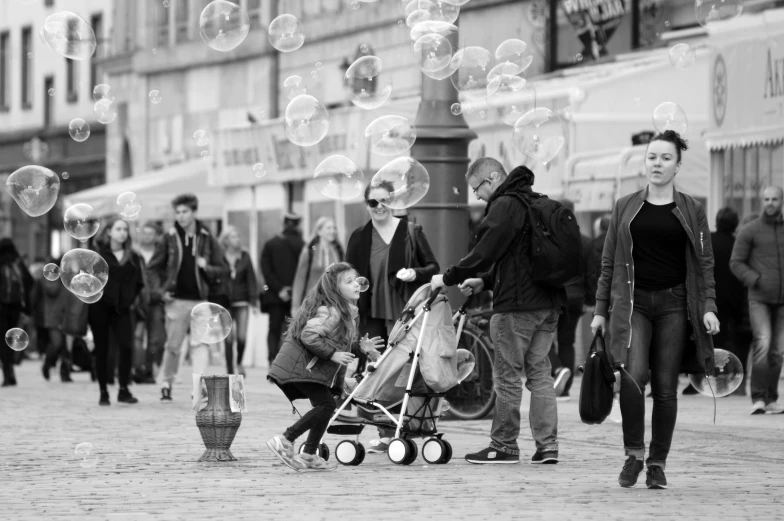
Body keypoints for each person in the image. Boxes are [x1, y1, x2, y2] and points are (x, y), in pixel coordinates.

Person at [590, 130, 720, 490]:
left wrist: (708, 306)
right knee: (632, 378)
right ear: (644, 162)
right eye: (652, 157)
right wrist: (600, 310)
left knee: (665, 386)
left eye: (665, 158)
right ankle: (633, 454)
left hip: (676, 303)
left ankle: (657, 463)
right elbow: (608, 262)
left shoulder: (692, 209)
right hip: (633, 303)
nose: (657, 164)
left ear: (677, 165)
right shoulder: (625, 206)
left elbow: (705, 262)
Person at [431, 158, 565, 465]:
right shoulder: (536, 202)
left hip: (517, 308)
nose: (477, 196)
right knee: (540, 375)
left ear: (493, 178)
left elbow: (485, 251)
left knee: (507, 377)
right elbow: (520, 260)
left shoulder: (505, 205)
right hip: (548, 305)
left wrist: (449, 276)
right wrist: (486, 281)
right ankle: (548, 447)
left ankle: (503, 445)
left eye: (477, 188)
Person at [346, 181, 440, 453]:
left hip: (404, 312)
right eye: (373, 202)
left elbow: (433, 266)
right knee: (377, 369)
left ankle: (405, 426)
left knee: (404, 370)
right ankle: (385, 432)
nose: (379, 207)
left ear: (393, 201)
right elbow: (348, 276)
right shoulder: (360, 236)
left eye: (384, 201)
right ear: (367, 205)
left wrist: (415, 274)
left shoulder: (410, 230)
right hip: (371, 313)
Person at [266, 262, 384, 471]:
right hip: (304, 368)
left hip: (312, 368)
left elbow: (338, 343)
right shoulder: (331, 311)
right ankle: (285, 439)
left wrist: (360, 347)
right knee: (327, 405)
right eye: (349, 282)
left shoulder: (345, 312)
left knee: (326, 405)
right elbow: (309, 336)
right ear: (335, 289)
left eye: (357, 280)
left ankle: (309, 454)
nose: (357, 285)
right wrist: (333, 355)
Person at [148, 193, 228, 402]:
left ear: (194, 212)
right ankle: (166, 383)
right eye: (178, 212)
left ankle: (197, 388)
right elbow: (153, 268)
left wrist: (206, 267)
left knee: (200, 345)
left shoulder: (207, 237)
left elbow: (222, 268)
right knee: (173, 347)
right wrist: (160, 292)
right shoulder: (169, 237)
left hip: (201, 300)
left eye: (185, 212)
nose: (181, 216)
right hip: (176, 300)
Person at [730, 187, 784, 415]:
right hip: (759, 298)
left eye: (774, 199)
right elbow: (736, 262)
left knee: (778, 351)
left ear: (781, 201)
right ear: (761, 201)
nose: (770, 203)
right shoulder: (750, 230)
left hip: (783, 300)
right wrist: (755, 279)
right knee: (762, 344)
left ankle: (772, 398)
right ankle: (759, 399)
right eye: (767, 199)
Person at [88, 215, 145, 406]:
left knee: (126, 346)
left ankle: (123, 389)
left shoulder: (133, 256)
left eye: (125, 229)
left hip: (123, 308)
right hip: (100, 307)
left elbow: (139, 282)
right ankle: (103, 391)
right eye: (118, 229)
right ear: (109, 232)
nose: (122, 233)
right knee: (102, 349)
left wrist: (129, 299)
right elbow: (89, 282)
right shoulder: (98, 255)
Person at [548, 198, 596, 400]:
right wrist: (590, 299)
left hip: (555, 297)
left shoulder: (551, 239)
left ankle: (558, 369)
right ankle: (565, 389)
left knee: (542, 340)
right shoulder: (585, 240)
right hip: (576, 299)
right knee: (567, 342)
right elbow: (591, 274)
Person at [261, 213, 305, 368]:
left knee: (273, 329)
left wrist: (279, 289)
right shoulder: (302, 245)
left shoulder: (270, 243)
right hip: (295, 296)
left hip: (275, 296)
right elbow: (303, 272)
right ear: (298, 224)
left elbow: (266, 270)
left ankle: (272, 361)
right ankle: (287, 363)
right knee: (292, 330)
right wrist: (292, 290)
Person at [218, 225, 258, 376]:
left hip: (242, 301)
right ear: (226, 240)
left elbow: (251, 279)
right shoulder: (219, 256)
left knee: (241, 336)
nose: (237, 239)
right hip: (224, 301)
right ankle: (229, 371)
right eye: (234, 236)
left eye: (238, 236)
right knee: (228, 338)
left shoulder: (244, 255)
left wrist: (254, 302)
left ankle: (239, 362)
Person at [133, 221, 166, 384]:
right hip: (137, 299)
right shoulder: (134, 253)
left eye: (150, 233)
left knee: (155, 339)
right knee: (137, 336)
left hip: (155, 300)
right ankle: (137, 369)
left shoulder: (161, 254)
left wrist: (162, 292)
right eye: (144, 233)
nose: (147, 236)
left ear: (156, 237)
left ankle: (148, 368)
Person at [0, 238, 34, 387]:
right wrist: (27, 309)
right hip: (16, 307)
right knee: (12, 341)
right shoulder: (17, 263)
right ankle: (11, 371)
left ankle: (8, 374)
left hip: (1, 307)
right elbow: (30, 282)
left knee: (2, 341)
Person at [291, 217, 344, 311]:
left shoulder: (339, 251)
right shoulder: (309, 252)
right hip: (313, 304)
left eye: (334, 228)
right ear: (319, 231)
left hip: (334, 304)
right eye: (328, 228)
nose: (333, 231)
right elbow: (300, 279)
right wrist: (295, 306)